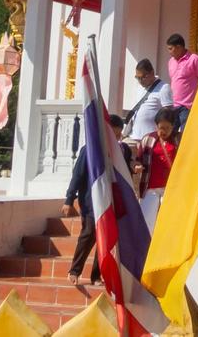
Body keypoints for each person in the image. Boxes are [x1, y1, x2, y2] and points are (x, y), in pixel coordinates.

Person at [61, 113, 133, 286]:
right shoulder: (90, 151)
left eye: (118, 136)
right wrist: (69, 199)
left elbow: (125, 175)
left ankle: (96, 275)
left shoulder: (123, 151)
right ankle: (74, 270)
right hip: (90, 201)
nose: (115, 139)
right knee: (88, 235)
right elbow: (77, 175)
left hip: (111, 201)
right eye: (112, 135)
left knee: (105, 238)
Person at [136, 105, 181, 231]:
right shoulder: (148, 139)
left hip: (170, 188)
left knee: (169, 224)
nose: (164, 131)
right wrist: (137, 166)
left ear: (173, 127)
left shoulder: (178, 140)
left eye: (168, 128)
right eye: (161, 128)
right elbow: (137, 159)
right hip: (150, 188)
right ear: (156, 126)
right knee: (146, 224)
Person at [124, 58, 173, 144]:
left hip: (150, 139)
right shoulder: (139, 88)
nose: (140, 81)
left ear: (152, 73)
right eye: (138, 78)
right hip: (133, 136)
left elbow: (168, 114)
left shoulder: (164, 88)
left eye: (143, 77)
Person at [165, 33, 198, 130]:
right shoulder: (171, 62)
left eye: (170, 49)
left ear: (178, 47)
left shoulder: (194, 59)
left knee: (185, 136)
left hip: (188, 107)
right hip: (173, 105)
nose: (169, 52)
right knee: (170, 135)